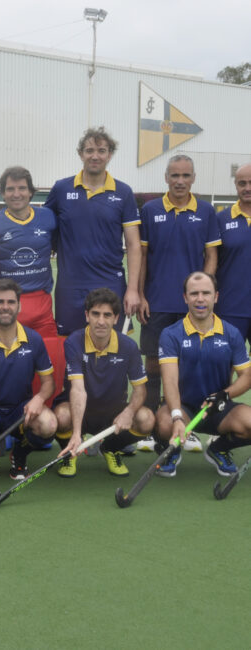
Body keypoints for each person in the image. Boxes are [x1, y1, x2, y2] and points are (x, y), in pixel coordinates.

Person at [138, 155, 221, 418]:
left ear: (194, 178)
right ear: (166, 178)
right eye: (175, 175)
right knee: (153, 361)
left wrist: (201, 294)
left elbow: (211, 256)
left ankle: (183, 420)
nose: (180, 181)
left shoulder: (206, 211)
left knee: (187, 363)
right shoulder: (150, 210)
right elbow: (142, 257)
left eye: (186, 175)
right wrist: (140, 295)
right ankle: (151, 419)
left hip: (191, 305)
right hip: (157, 301)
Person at [44, 127, 141, 336]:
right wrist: (2, 214)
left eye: (101, 150)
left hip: (110, 283)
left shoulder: (123, 192)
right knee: (70, 343)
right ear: (81, 154)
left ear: (110, 155)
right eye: (89, 151)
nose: (95, 156)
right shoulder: (61, 189)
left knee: (111, 344)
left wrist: (132, 289)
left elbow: (134, 245)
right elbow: (39, 223)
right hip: (70, 286)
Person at [156, 272, 251, 477]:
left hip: (218, 408)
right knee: (163, 423)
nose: (200, 299)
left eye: (206, 293)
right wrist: (176, 416)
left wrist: (224, 395)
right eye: (194, 294)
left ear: (216, 296)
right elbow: (170, 381)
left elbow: (246, 376)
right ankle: (172, 450)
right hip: (184, 407)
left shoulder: (231, 333)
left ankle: (219, 449)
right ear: (185, 298)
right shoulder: (171, 334)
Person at [53, 288, 154, 477]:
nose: (101, 321)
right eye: (95, 314)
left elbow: (140, 390)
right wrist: (76, 433)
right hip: (80, 411)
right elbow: (78, 390)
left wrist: (128, 412)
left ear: (116, 318)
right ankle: (70, 451)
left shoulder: (129, 347)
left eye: (107, 315)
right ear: (87, 316)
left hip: (113, 413)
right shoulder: (74, 342)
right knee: (61, 416)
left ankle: (110, 448)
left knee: (146, 419)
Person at [0, 279, 57, 479]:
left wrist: (39, 398)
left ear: (19, 306)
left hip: (21, 408)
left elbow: (48, 383)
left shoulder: (33, 339)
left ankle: (20, 454)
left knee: (48, 424)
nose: (5, 307)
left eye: (11, 302)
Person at [0, 166, 57, 338]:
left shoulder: (48, 217)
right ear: (3, 193)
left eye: (22, 188)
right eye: (10, 189)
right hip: (4, 304)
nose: (16, 194)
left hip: (41, 305)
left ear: (30, 191)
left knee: (48, 353)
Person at [215, 163, 251, 344]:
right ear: (235, 185)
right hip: (229, 308)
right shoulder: (220, 219)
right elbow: (210, 260)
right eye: (242, 183)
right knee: (225, 361)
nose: (247, 188)